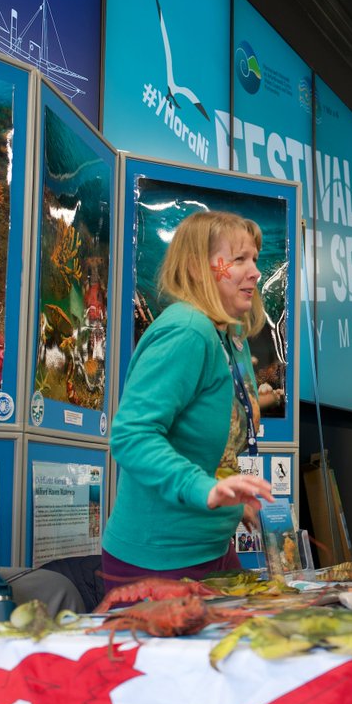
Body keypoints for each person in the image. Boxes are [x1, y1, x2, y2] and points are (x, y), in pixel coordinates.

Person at [103, 211, 274, 592]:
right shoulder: (188, 331)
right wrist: (205, 490)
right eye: (240, 259)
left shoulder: (229, 337)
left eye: (255, 260)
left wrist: (231, 501)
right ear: (199, 267)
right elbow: (132, 435)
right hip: (158, 560)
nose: (255, 273)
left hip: (209, 549)